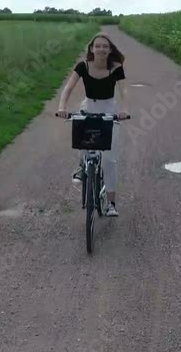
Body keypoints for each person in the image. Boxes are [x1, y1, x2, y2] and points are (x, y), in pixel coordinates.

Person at [55, 32, 129, 217]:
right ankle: (82, 166)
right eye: (98, 46)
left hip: (109, 109)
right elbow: (69, 87)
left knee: (109, 160)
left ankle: (111, 203)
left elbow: (124, 92)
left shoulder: (116, 68)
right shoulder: (83, 66)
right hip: (89, 106)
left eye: (105, 46)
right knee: (83, 139)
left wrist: (124, 110)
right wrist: (62, 106)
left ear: (110, 49)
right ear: (91, 49)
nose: (101, 49)